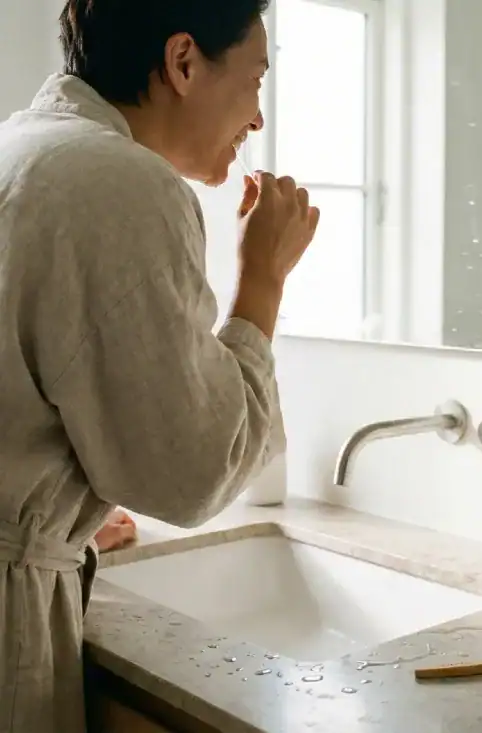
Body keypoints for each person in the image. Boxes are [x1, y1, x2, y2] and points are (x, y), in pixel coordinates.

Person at [0, 1, 320, 730]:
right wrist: (262, 280)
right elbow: (191, 474)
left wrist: (58, 512)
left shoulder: (21, 147)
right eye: (255, 79)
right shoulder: (120, 184)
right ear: (183, 62)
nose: (258, 118)